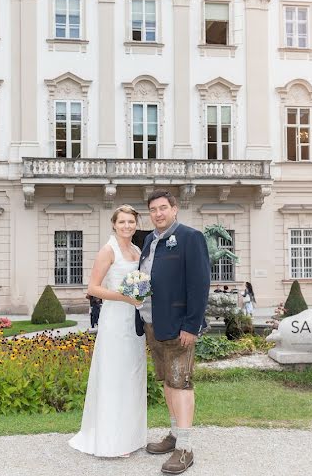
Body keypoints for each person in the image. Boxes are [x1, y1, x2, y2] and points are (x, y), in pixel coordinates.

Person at [135, 190, 210, 475]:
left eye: (163, 208)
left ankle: (186, 448)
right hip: (153, 322)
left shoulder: (191, 238)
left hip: (179, 326)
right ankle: (174, 434)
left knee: (181, 383)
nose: (158, 213)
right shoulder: (150, 241)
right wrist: (131, 297)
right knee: (167, 381)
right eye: (153, 209)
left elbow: (200, 284)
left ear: (175, 209)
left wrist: (192, 325)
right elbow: (144, 280)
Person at [69, 205, 147, 457]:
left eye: (131, 222)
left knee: (132, 375)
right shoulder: (108, 250)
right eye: (122, 222)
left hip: (134, 319)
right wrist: (124, 298)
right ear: (114, 224)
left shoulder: (136, 250)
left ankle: (131, 436)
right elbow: (93, 288)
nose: (127, 226)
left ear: (136, 224)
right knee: (115, 375)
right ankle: (112, 440)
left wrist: (141, 296)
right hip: (115, 318)